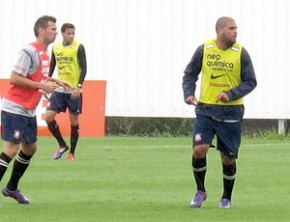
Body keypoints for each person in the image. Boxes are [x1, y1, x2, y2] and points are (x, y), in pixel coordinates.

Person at [182, 16, 257, 209]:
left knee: (228, 157)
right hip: (206, 109)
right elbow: (190, 73)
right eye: (231, 28)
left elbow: (250, 82)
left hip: (231, 111)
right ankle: (200, 191)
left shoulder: (240, 53)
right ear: (220, 30)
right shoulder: (205, 49)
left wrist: (230, 94)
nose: (235, 32)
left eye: (236, 28)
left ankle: (226, 197)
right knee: (199, 149)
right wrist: (189, 93)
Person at [0, 15, 70, 204]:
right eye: (53, 29)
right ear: (41, 30)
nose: (56, 32)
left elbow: (38, 78)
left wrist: (55, 81)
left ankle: (11, 188)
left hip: (28, 110)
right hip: (14, 108)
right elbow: (14, 78)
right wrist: (42, 87)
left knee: (30, 148)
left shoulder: (45, 53)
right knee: (11, 149)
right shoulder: (29, 51)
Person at [44, 23, 87, 161]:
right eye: (68, 33)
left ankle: (71, 153)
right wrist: (46, 82)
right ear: (62, 33)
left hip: (73, 90)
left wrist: (79, 86)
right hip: (59, 89)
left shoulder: (78, 47)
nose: (71, 36)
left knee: (73, 121)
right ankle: (62, 145)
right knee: (48, 117)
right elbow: (52, 65)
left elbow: (84, 67)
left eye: (73, 33)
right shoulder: (56, 47)